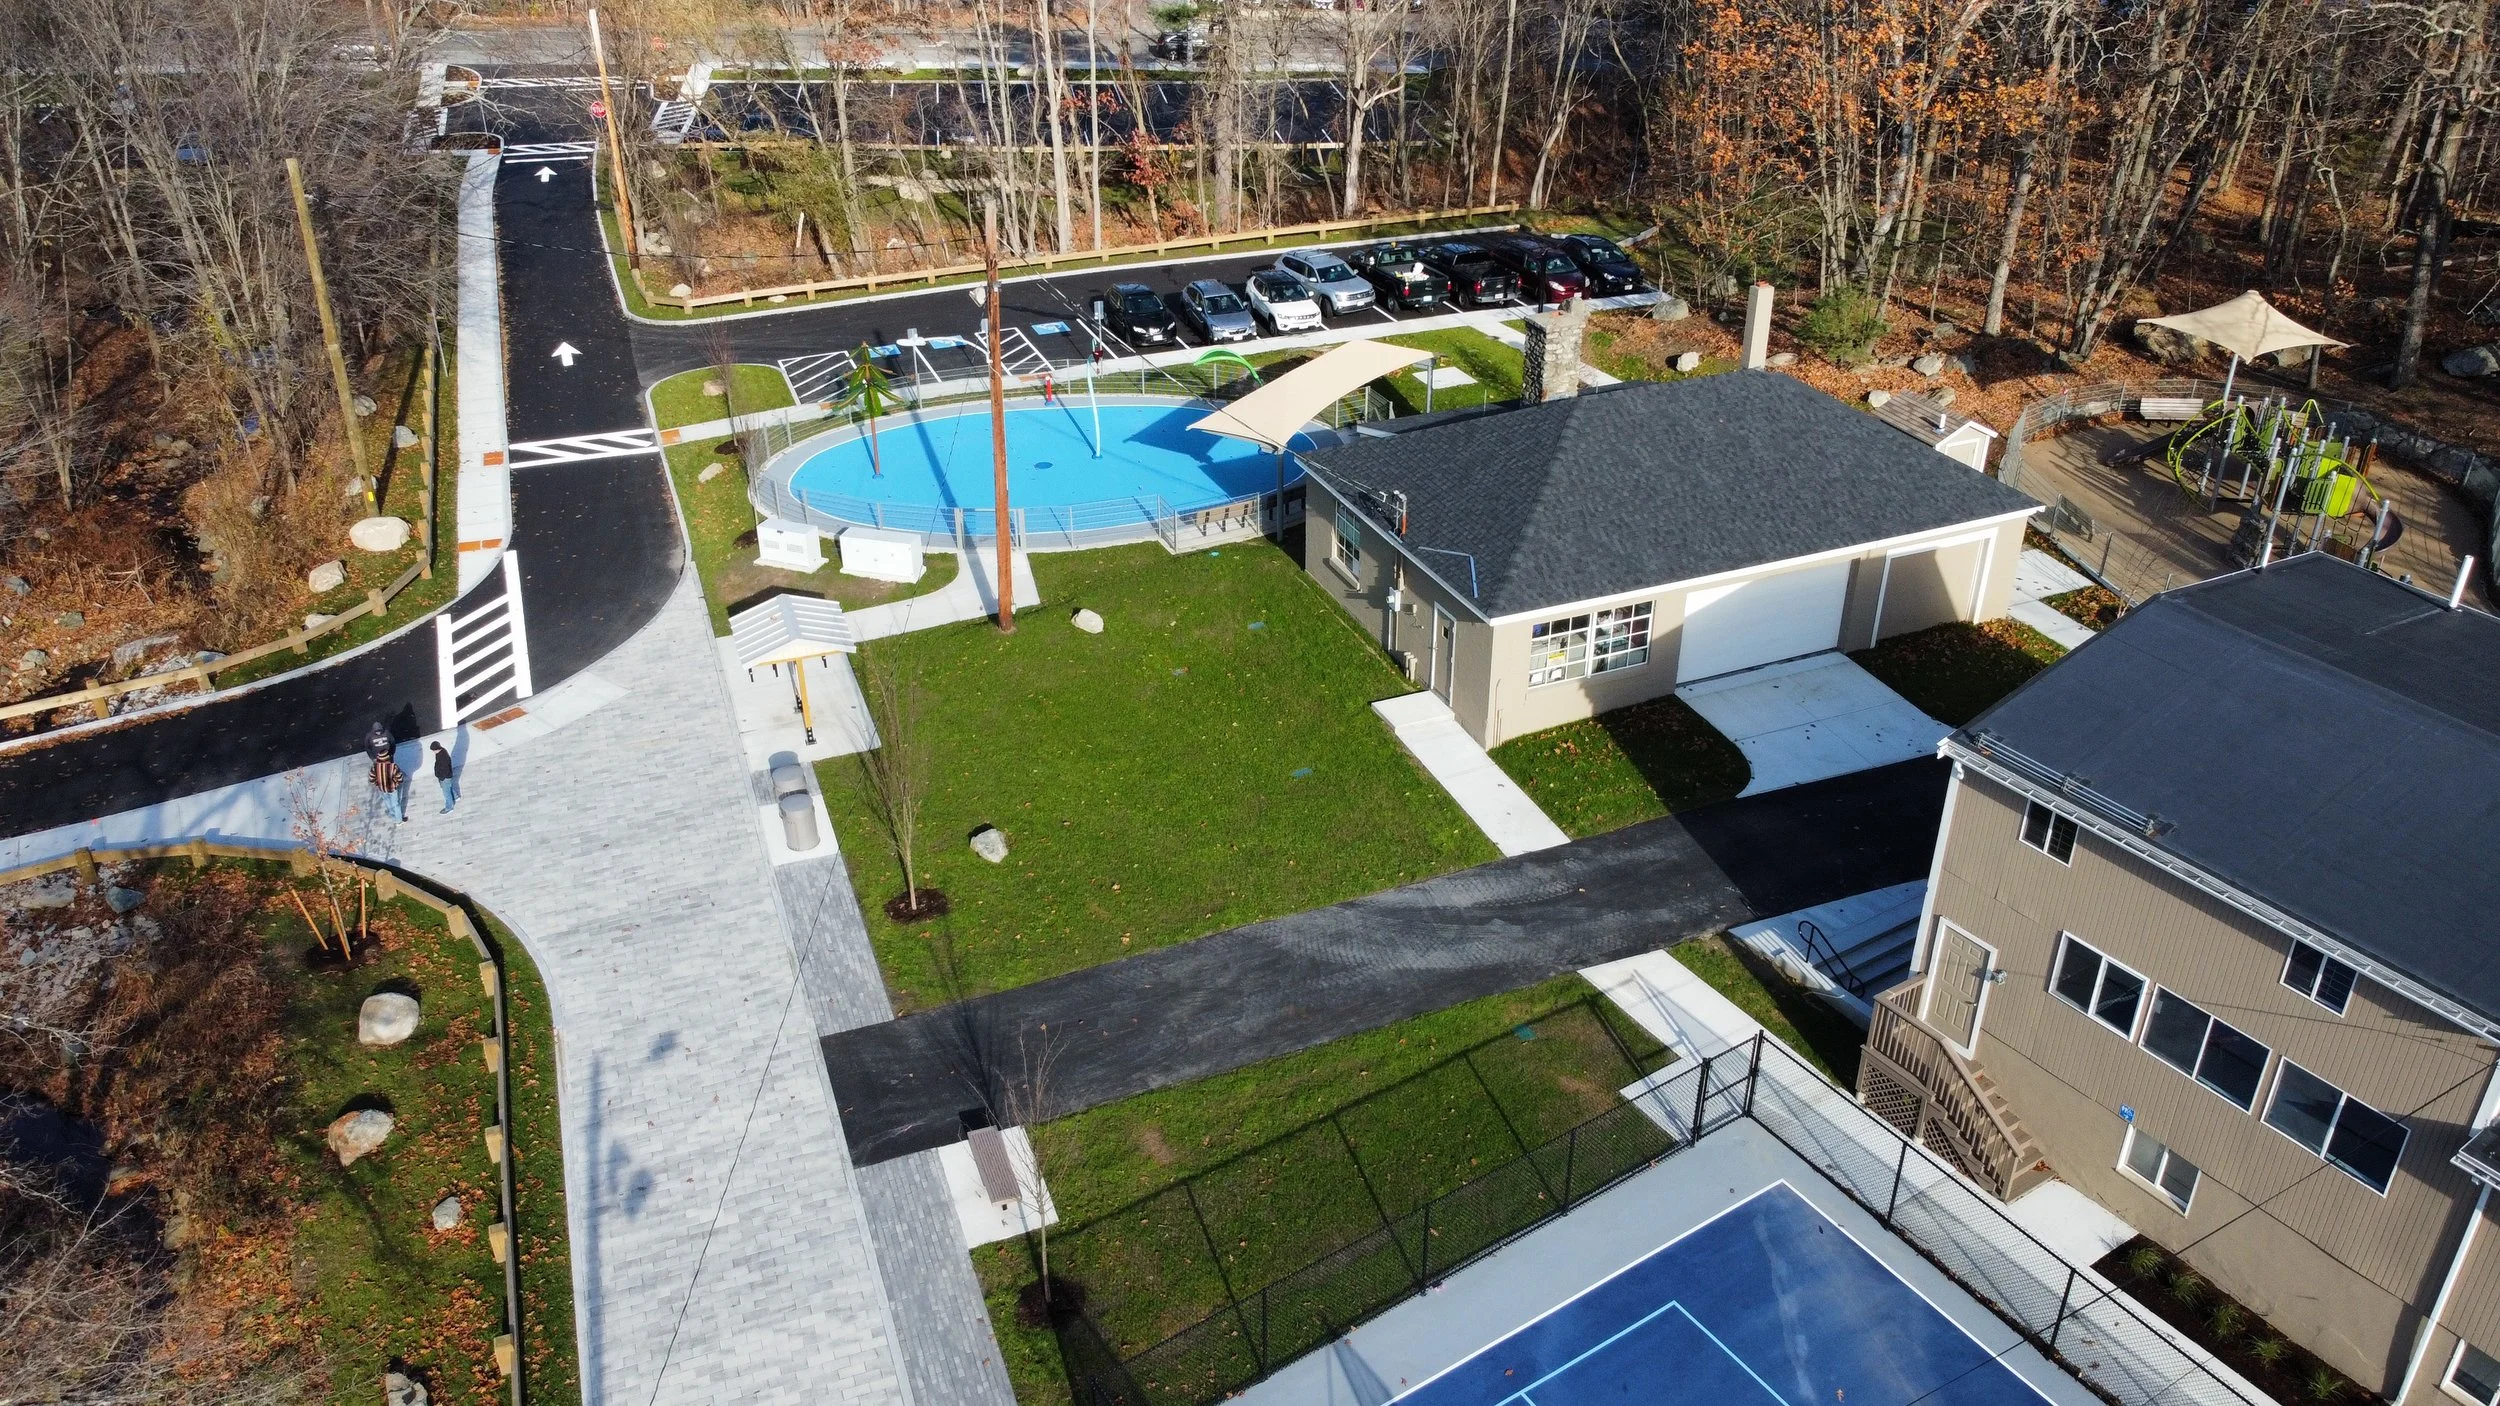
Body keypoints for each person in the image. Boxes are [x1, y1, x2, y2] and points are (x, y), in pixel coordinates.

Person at [372, 752, 405, 822]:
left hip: (382, 789)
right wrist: (396, 783)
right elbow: (400, 778)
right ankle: (399, 820)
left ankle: (393, 816)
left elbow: (371, 778)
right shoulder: (393, 766)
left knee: (388, 803)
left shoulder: (375, 767)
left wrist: (378, 784)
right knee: (396, 804)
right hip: (392, 789)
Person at [430, 740, 459, 813]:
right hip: (446, 776)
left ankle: (449, 807)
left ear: (436, 749)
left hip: (444, 777)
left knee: (446, 792)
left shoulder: (442, 757)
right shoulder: (442, 752)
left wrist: (442, 778)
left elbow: (445, 769)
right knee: (449, 787)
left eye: (433, 750)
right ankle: (455, 796)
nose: (433, 752)